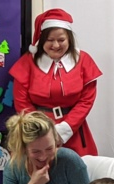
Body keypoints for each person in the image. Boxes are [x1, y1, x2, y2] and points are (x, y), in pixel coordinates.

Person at [9, 8, 102, 156]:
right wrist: (42, 131)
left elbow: (86, 101)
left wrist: (65, 129)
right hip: (38, 133)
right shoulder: (27, 63)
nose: (56, 45)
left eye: (61, 40)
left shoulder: (83, 61)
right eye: (50, 40)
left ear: (69, 39)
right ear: (42, 40)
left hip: (74, 131)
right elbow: (22, 103)